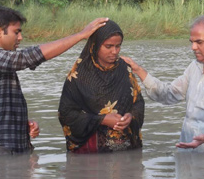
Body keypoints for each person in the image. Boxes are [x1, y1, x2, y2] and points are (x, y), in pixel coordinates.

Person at [0, 6, 108, 154]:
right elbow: (27, 57)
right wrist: (81, 35)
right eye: (16, 32)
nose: (20, 38)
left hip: (11, 150)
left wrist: (23, 126)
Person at [122, 15, 204, 153]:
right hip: (188, 154)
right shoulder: (195, 67)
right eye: (191, 42)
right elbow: (169, 94)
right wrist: (139, 70)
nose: (193, 47)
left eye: (199, 42)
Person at [58, 20, 145, 153]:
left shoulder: (124, 69)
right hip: (91, 155)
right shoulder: (79, 75)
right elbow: (66, 114)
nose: (114, 51)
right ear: (95, 45)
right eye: (108, 46)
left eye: (118, 46)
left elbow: (138, 102)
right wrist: (102, 120)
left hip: (126, 152)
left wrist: (130, 117)